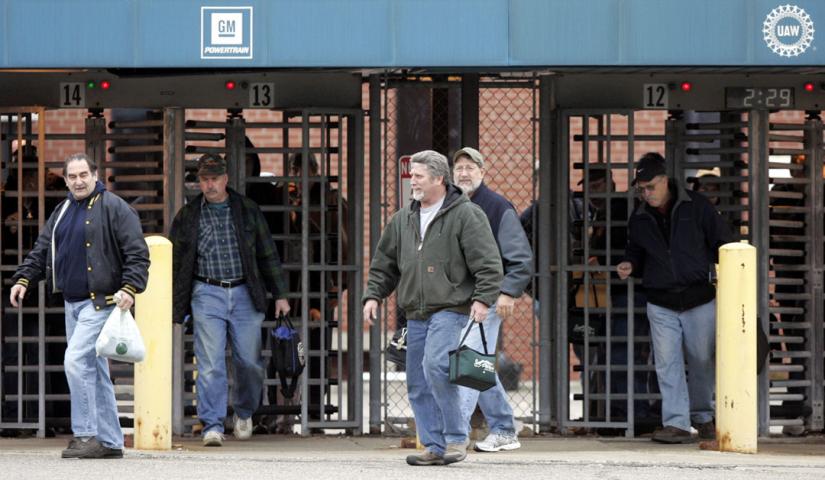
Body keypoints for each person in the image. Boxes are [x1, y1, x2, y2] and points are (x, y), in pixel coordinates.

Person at [363, 150, 502, 466]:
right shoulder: (403, 218)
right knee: (416, 381)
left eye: (419, 175)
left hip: (452, 308)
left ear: (439, 178)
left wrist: (482, 299)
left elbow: (489, 263)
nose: (413, 181)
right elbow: (384, 264)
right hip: (416, 311)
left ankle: (455, 438)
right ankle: (434, 445)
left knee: (436, 366)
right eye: (413, 175)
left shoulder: (467, 215)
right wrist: (373, 296)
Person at [8, 153, 150, 458]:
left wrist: (130, 287)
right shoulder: (62, 210)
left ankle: (86, 435)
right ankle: (111, 442)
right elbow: (42, 248)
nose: (78, 181)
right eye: (72, 177)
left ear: (95, 174)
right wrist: (23, 279)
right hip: (72, 305)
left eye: (83, 174)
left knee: (74, 362)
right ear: (66, 180)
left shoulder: (115, 207)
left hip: (100, 303)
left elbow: (138, 253)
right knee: (94, 371)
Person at [169, 153, 290, 447]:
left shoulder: (247, 210)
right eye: (204, 179)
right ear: (199, 181)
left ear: (225, 179)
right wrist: (174, 302)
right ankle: (212, 423)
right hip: (205, 292)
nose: (209, 185)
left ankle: (245, 411)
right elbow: (175, 261)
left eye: (214, 179)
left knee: (249, 361)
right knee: (210, 363)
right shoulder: (187, 215)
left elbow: (267, 253)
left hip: (245, 293)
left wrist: (281, 295)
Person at [617, 152, 731, 444]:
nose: (646, 193)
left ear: (665, 180)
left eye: (651, 186)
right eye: (641, 188)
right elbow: (636, 251)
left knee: (702, 359)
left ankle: (703, 417)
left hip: (699, 297)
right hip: (661, 301)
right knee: (667, 363)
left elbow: (724, 242)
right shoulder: (639, 217)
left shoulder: (699, 206)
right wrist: (630, 264)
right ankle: (677, 423)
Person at [451, 147, 532, 452]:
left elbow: (521, 257)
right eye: (459, 167)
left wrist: (509, 291)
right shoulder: (448, 205)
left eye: (470, 167)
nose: (464, 173)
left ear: (483, 173)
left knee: (469, 363)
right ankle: (504, 428)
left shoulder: (497, 207)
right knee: (476, 364)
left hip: (488, 298)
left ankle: (454, 435)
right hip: (456, 301)